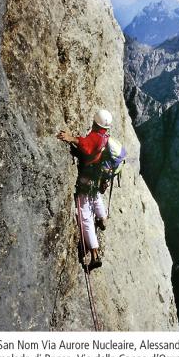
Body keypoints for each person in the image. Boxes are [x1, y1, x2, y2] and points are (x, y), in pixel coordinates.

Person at [57, 108, 113, 270]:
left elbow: (85, 145)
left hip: (87, 177)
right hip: (96, 175)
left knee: (85, 215)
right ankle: (103, 218)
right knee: (96, 197)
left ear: (96, 123)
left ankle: (95, 254)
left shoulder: (95, 136)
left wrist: (70, 138)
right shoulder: (105, 136)